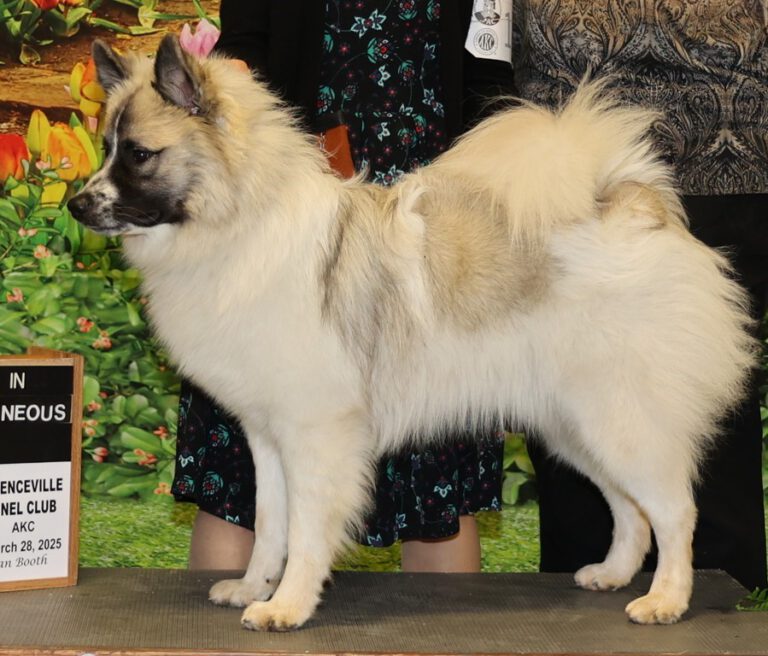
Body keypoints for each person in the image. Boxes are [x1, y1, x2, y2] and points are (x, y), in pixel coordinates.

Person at [172, 0, 515, 573]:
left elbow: (487, 79)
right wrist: (217, 95)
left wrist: (489, 222)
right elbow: (245, 47)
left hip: (427, 235)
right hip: (283, 222)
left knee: (435, 481)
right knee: (241, 476)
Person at [511, 0, 768, 591]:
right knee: (572, 403)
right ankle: (596, 598)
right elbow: (487, 45)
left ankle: (710, 600)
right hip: (566, 194)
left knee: (701, 423)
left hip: (728, 171)